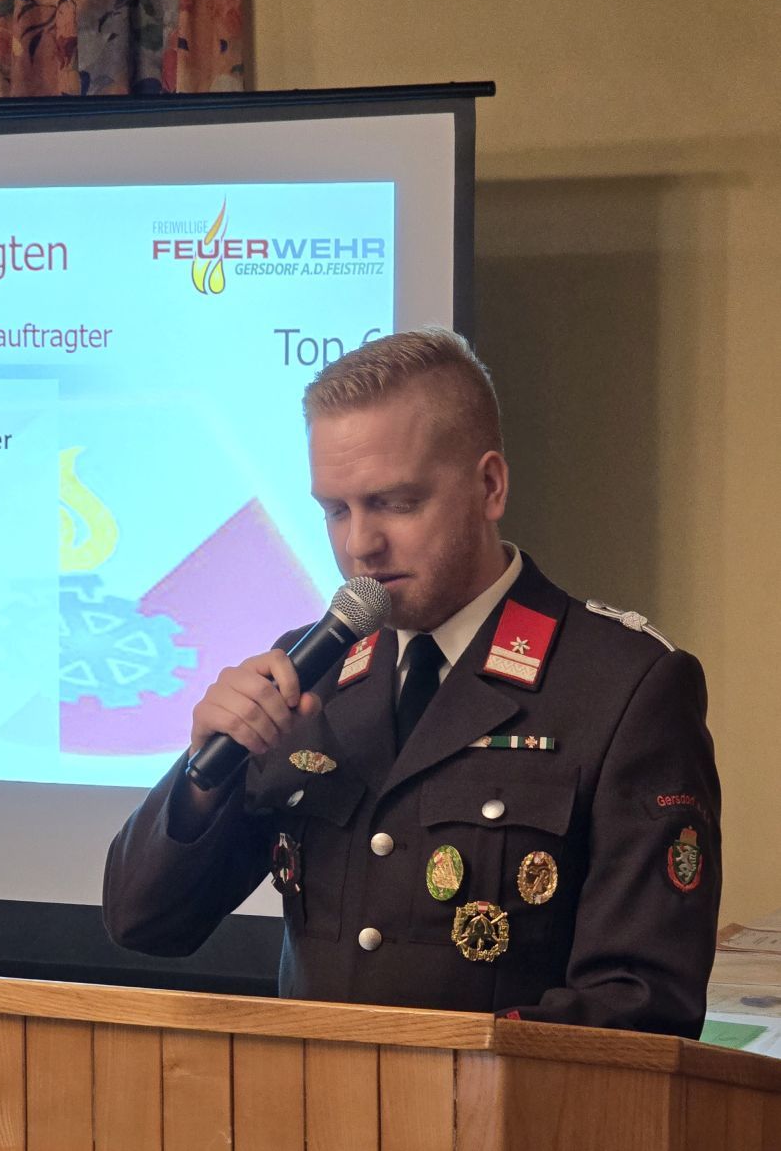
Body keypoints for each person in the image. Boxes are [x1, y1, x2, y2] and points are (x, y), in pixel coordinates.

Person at [103, 329, 720, 1034]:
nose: (359, 544)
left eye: (394, 503)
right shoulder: (310, 670)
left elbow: (642, 1004)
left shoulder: (620, 686)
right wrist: (201, 777)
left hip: (501, 1104)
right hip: (310, 1100)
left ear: (489, 487)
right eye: (336, 510)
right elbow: (144, 922)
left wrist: (437, 1064)